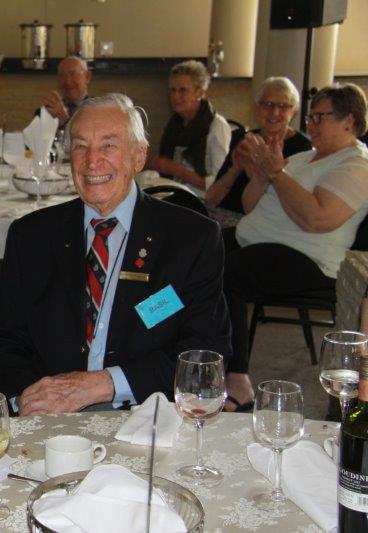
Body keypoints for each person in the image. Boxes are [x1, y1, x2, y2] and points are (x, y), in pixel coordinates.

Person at [0, 94, 231, 415]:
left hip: (143, 412)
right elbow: (3, 341)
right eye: (81, 146)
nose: (92, 161)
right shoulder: (31, 236)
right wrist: (29, 395)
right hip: (49, 415)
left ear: (139, 157)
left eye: (108, 145)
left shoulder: (191, 239)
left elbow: (205, 355)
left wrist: (105, 383)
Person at [223, 83, 368, 411]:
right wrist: (262, 174)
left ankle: (238, 379)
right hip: (259, 240)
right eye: (310, 117)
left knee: (227, 274)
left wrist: (277, 172)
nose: (310, 125)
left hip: (309, 258)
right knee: (188, 256)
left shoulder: (356, 165)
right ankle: (176, 350)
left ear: (349, 120)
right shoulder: (302, 158)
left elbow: (317, 218)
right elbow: (250, 205)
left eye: (319, 117)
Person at [206, 77, 311, 216]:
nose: (274, 112)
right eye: (268, 104)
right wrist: (236, 168)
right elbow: (211, 198)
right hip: (221, 216)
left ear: (294, 111)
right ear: (257, 108)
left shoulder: (302, 147)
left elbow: (289, 205)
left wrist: (256, 174)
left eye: (283, 106)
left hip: (256, 222)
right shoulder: (245, 139)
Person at [147, 60, 231, 196]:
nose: (175, 96)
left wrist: (179, 171)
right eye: (173, 90)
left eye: (183, 90)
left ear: (199, 93)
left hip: (202, 199)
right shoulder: (175, 124)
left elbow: (221, 181)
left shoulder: (216, 126)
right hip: (174, 192)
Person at [39, 56, 92, 127]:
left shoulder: (99, 110)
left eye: (73, 74)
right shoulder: (47, 112)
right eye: (62, 75)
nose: (67, 81)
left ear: (87, 77)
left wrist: (65, 121)